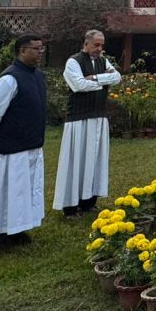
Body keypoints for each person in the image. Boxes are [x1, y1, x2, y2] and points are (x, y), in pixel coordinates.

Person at [0, 33, 47, 251]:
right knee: (6, 191)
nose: (39, 53)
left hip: (32, 142)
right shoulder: (9, 79)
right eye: (35, 49)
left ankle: (18, 228)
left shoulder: (38, 76)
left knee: (25, 190)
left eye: (41, 49)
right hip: (11, 146)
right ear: (21, 51)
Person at [53, 29, 121, 217]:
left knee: (95, 159)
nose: (99, 49)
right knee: (77, 161)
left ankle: (89, 201)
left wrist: (96, 78)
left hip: (98, 116)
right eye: (96, 45)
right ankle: (70, 206)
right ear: (86, 43)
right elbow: (78, 85)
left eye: (102, 45)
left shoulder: (102, 61)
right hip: (79, 119)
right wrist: (102, 82)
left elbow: (117, 77)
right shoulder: (74, 61)